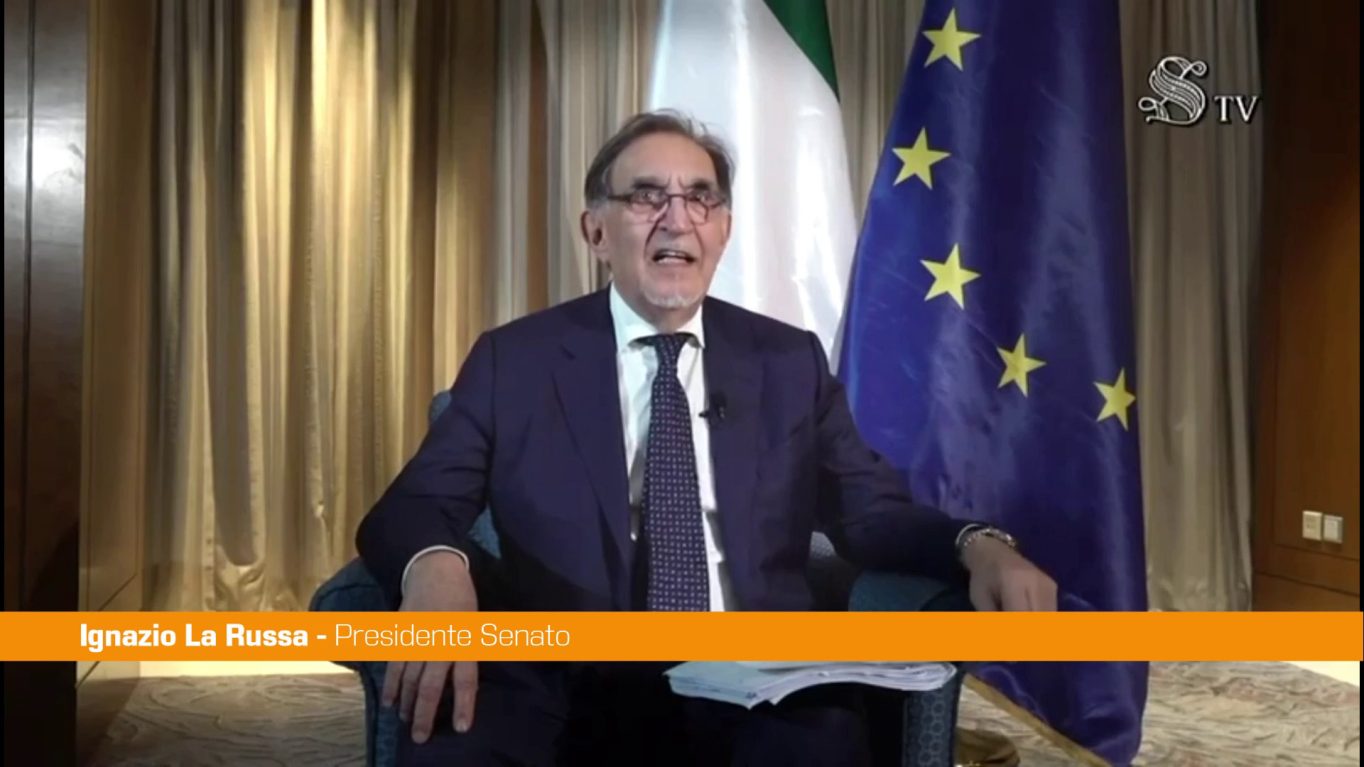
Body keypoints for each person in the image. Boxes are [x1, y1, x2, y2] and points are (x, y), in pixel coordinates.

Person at [356, 110, 1058, 766]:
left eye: (700, 198)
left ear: (722, 230)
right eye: (646, 196)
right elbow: (413, 505)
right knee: (454, 738)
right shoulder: (516, 360)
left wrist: (978, 544)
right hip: (568, 676)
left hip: (758, 678)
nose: (677, 218)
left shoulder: (787, 362)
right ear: (596, 232)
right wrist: (435, 567)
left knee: (825, 744)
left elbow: (872, 513)